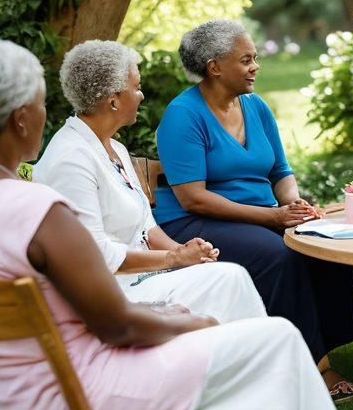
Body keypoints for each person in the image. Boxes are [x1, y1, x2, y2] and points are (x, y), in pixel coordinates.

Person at [0, 40, 353, 410]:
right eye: (43, 106)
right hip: (74, 400)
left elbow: (93, 309)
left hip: (3, 400)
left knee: (236, 307)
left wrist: (161, 305)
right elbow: (119, 326)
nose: (47, 117)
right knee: (276, 341)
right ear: (21, 118)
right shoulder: (40, 212)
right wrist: (187, 323)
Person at [154, 20, 353, 401]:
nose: (256, 67)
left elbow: (280, 171)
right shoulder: (183, 115)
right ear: (215, 66)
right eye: (246, 59)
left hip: (259, 214)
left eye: (254, 58)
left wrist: (293, 204)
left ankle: (324, 343)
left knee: (325, 246)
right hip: (194, 222)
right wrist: (272, 218)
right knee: (280, 257)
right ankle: (314, 367)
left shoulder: (256, 106)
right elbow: (192, 197)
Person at [34, 40, 263, 324]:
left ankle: (232, 359)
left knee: (227, 276)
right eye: (136, 86)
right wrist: (173, 260)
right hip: (113, 295)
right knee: (229, 279)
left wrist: (184, 251)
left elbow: (146, 226)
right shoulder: (70, 160)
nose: (141, 95)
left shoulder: (113, 148)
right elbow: (95, 255)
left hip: (145, 278)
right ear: (114, 99)